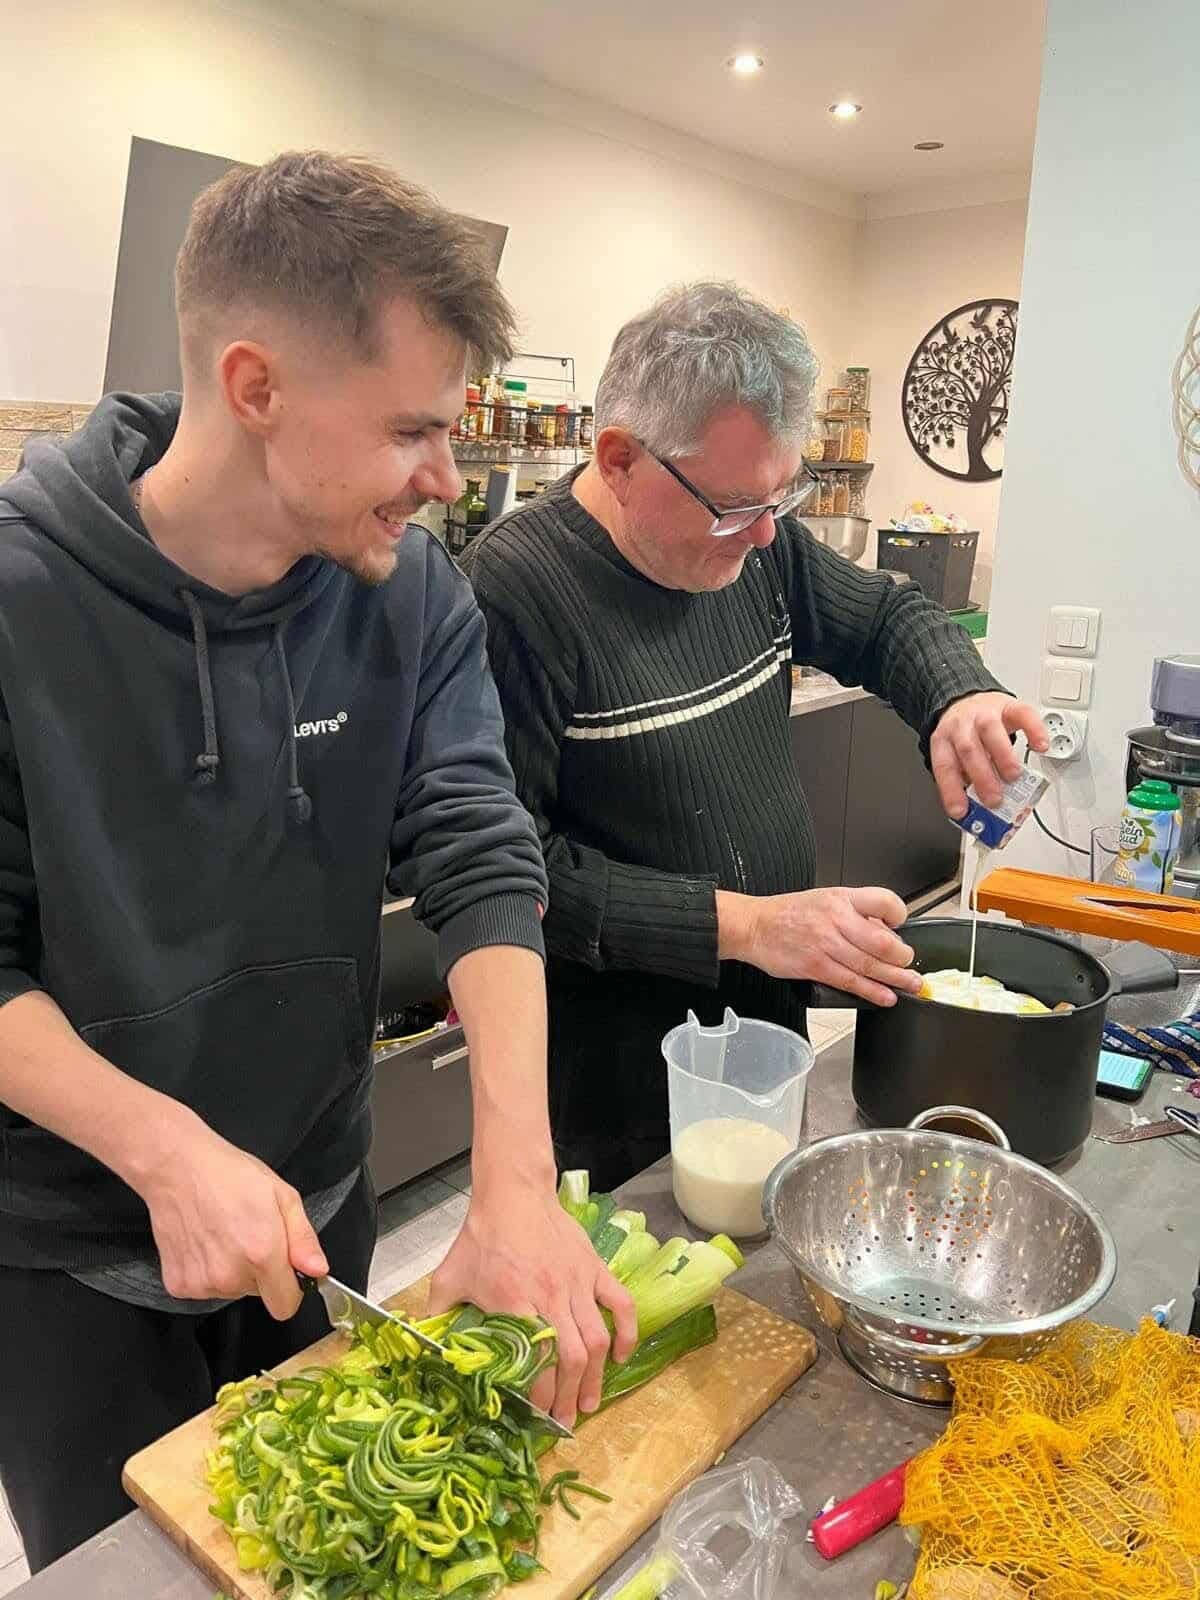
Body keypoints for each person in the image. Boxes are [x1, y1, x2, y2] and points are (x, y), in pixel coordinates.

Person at [0, 151, 634, 1572]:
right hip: (67, 1257)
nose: (446, 478)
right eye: (415, 430)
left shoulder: (413, 593)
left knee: (328, 1554)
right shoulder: (19, 597)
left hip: (315, 1206)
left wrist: (514, 1188)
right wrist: (165, 1151)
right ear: (256, 386)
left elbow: (481, 856)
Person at [464, 282, 1049, 1190]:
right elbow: (510, 875)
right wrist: (745, 925)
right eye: (736, 506)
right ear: (618, 458)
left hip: (768, 1025)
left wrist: (960, 696)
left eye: (786, 494)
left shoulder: (755, 541)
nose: (767, 533)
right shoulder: (515, 594)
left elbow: (886, 619)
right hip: (619, 1066)